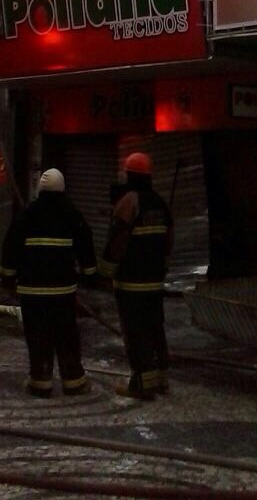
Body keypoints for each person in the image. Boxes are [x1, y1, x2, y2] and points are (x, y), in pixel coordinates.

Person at [0, 168, 97, 398]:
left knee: (37, 334)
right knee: (66, 335)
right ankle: (74, 381)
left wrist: (7, 277)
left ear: (40, 190)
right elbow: (86, 245)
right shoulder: (72, 214)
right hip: (63, 291)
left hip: (31, 290)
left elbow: (10, 246)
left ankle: (40, 381)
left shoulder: (27, 214)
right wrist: (89, 274)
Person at [99, 151, 173, 400]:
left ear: (129, 175)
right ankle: (161, 379)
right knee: (155, 328)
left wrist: (104, 272)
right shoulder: (160, 203)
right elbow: (168, 242)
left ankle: (141, 384)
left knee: (135, 331)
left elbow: (118, 241)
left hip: (131, 281)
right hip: (154, 281)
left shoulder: (129, 202)